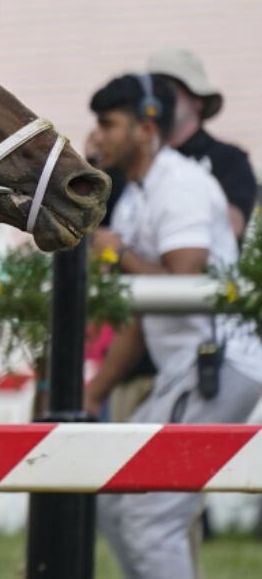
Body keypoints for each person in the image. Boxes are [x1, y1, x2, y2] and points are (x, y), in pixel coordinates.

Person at [83, 74, 262, 579]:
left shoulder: (178, 185)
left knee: (148, 516)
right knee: (116, 502)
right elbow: (146, 313)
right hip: (191, 368)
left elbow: (182, 282)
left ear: (145, 127)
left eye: (108, 124)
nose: (99, 135)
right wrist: (96, 391)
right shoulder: (141, 192)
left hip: (216, 363)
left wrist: (117, 252)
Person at [146, 47, 257, 240]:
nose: (158, 98)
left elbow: (231, 227)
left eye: (168, 88)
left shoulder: (229, 159)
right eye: (152, 89)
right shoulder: (138, 159)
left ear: (198, 100)